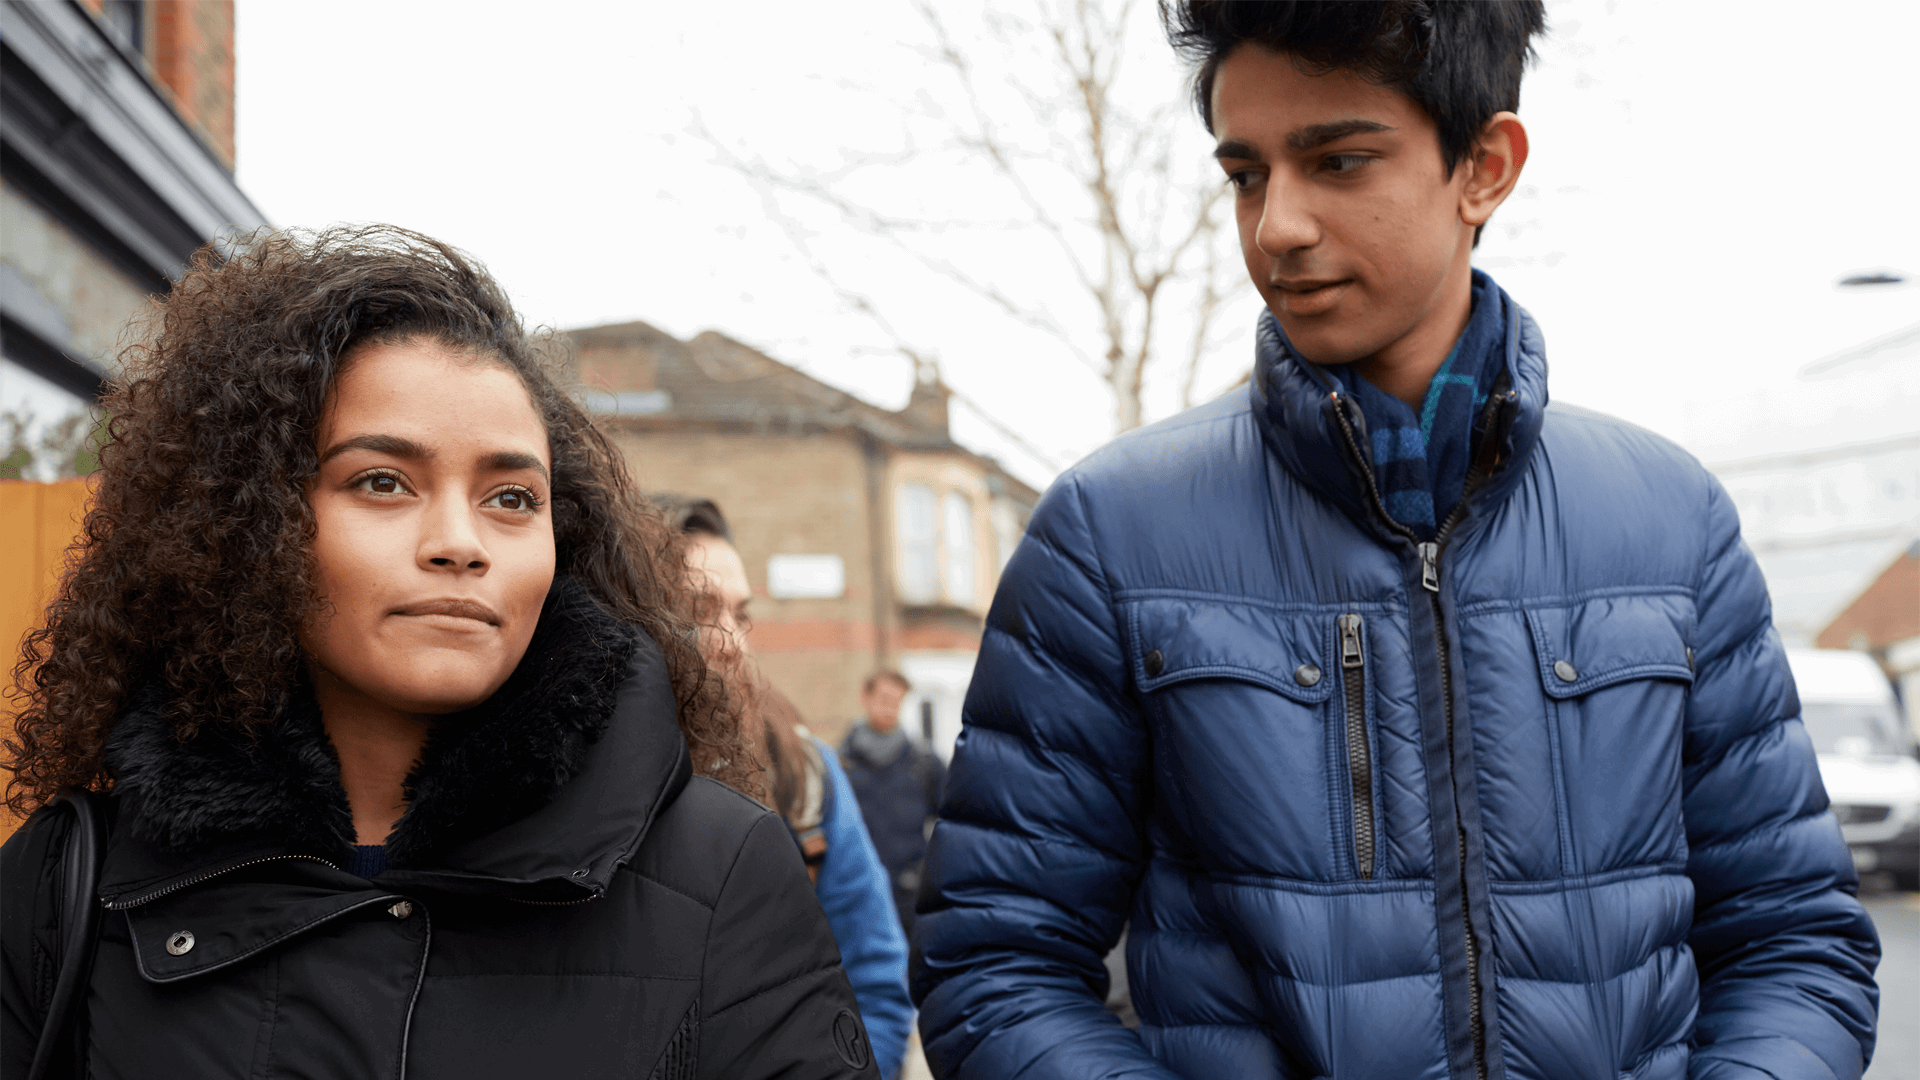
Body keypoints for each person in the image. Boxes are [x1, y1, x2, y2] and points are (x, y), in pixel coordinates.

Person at [911, 4, 1881, 1079]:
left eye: (1337, 159)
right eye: (1246, 174)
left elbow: (1796, 943)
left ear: (1485, 166)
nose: (1276, 223)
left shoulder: (1670, 521)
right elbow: (995, 969)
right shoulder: (1111, 532)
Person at [0, 227, 878, 1079]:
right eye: (382, 482)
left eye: (510, 497)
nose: (461, 542)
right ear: (247, 521)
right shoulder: (68, 881)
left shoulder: (724, 871)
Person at [660, 496, 915, 1080]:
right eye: (699, 609)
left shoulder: (803, 771)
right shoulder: (568, 781)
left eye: (740, 612)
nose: (731, 641)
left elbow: (872, 976)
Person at [839, 671, 945, 938]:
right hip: (857, 893)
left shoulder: (924, 764)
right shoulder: (840, 765)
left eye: (897, 701)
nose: (889, 708)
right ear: (865, 697)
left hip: (909, 896)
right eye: (884, 698)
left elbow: (954, 822)